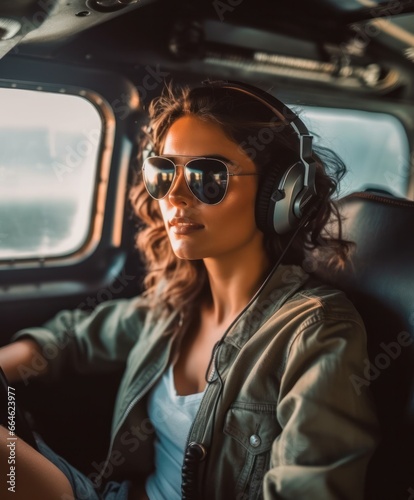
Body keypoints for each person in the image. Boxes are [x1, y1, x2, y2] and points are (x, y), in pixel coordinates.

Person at [0, 80, 379, 500]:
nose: (175, 197)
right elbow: (70, 339)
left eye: (207, 176)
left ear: (281, 192)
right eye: (164, 172)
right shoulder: (172, 304)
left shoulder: (316, 332)